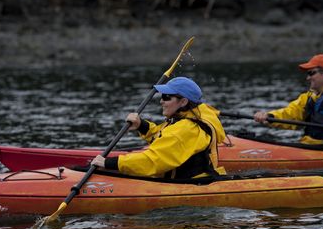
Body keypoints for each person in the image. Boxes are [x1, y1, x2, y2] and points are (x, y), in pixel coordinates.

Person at [91, 77, 227, 179]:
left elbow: (152, 161)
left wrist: (110, 163)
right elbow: (164, 137)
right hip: (196, 179)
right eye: (162, 96)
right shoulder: (192, 115)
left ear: (183, 102)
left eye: (167, 97)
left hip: (191, 185)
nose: (161, 101)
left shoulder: (185, 129)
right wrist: (141, 125)